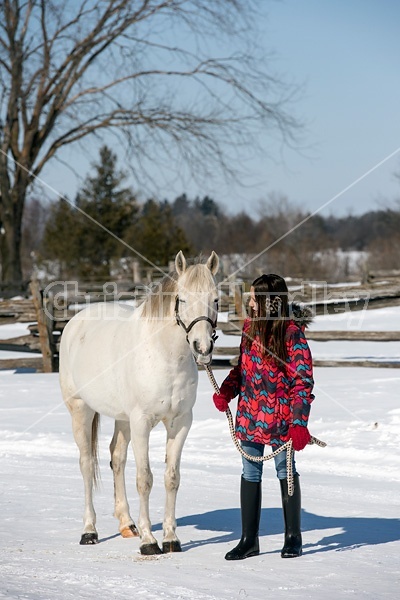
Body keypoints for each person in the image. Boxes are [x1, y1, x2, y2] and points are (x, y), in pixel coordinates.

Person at [213, 273, 314, 560]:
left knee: (285, 473)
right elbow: (241, 369)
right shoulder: (249, 327)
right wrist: (227, 391)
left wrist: (299, 423)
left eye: (255, 297)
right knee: (250, 473)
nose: (250, 301)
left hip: (282, 419)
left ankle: (293, 537)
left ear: (269, 301)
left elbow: (302, 381)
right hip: (250, 415)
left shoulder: (291, 333)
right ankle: (249, 540)